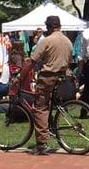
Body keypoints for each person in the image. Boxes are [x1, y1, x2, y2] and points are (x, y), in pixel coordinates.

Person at [29, 15, 72, 154]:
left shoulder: (46, 41)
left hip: (48, 77)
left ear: (48, 26)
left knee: (40, 107)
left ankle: (41, 142)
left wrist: (21, 75)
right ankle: (50, 126)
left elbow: (33, 59)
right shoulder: (67, 41)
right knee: (51, 105)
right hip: (62, 78)